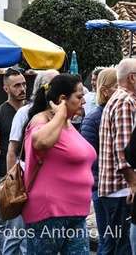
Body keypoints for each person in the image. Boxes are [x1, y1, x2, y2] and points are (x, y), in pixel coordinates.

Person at [22, 74, 96, 253]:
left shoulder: (68, 124)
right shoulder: (42, 120)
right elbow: (41, 142)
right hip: (50, 212)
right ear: (62, 99)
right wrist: (61, 113)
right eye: (79, 97)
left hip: (75, 213)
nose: (84, 101)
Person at [0, 67, 28, 255]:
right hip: (7, 177)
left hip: (30, 176)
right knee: (10, 231)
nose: (22, 89)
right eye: (17, 85)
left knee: (27, 232)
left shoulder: (31, 110)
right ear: (6, 89)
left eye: (24, 84)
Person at [98, 58, 136, 254]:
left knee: (113, 245)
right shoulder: (125, 102)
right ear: (133, 78)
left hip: (115, 189)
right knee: (123, 247)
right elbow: (124, 151)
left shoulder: (118, 99)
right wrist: (134, 185)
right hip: (121, 190)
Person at [81, 67, 117, 253]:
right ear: (105, 90)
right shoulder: (94, 118)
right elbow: (87, 157)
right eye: (117, 86)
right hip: (103, 188)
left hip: (112, 187)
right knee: (108, 240)